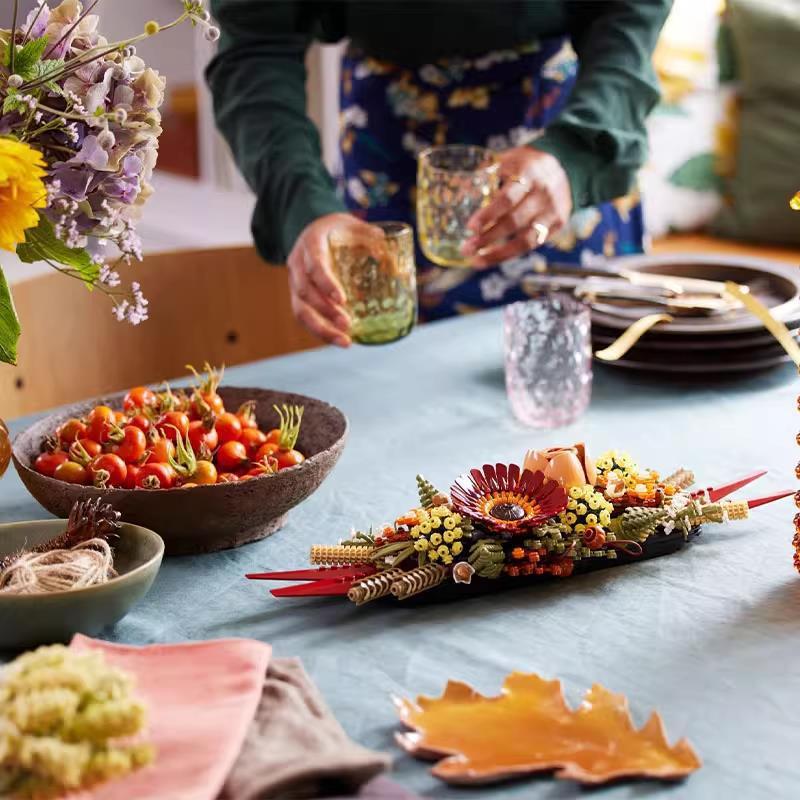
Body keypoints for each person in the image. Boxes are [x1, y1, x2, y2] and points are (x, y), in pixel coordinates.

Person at [207, 1, 672, 346]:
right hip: (389, 142)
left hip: (563, 136)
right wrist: (304, 207)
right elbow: (255, 44)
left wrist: (575, 152)